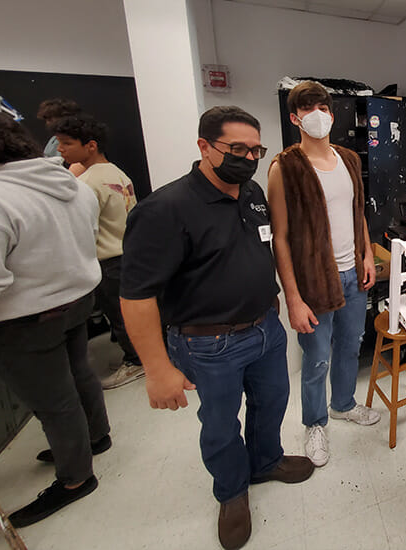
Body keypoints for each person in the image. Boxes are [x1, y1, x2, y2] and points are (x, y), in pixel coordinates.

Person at [120, 106, 313, 550]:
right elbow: (136, 295)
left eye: (255, 150)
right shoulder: (166, 210)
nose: (248, 158)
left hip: (265, 329)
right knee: (221, 423)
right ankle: (232, 492)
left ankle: (265, 461)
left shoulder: (252, 193)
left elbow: (262, 246)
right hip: (210, 343)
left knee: (272, 403)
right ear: (204, 147)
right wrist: (156, 369)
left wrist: (273, 295)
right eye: (237, 149)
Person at [0, 111, 109, 527]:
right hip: (76, 298)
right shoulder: (69, 182)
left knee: (54, 400)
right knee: (78, 373)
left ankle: (75, 478)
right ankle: (95, 437)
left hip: (27, 316)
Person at [268, 81, 379, 468]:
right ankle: (314, 423)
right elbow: (280, 238)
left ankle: (344, 404)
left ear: (332, 114)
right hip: (314, 281)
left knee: (351, 345)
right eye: (307, 108)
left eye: (323, 107)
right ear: (294, 117)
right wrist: (293, 297)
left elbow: (358, 212)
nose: (317, 114)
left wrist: (366, 254)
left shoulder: (349, 159)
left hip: (354, 275)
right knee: (316, 359)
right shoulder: (285, 167)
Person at [53, 114, 141, 389]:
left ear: (90, 145)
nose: (60, 150)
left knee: (119, 314)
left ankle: (136, 361)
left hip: (109, 259)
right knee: (130, 311)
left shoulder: (86, 183)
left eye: (66, 143)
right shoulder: (117, 173)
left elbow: (83, 229)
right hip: (128, 252)